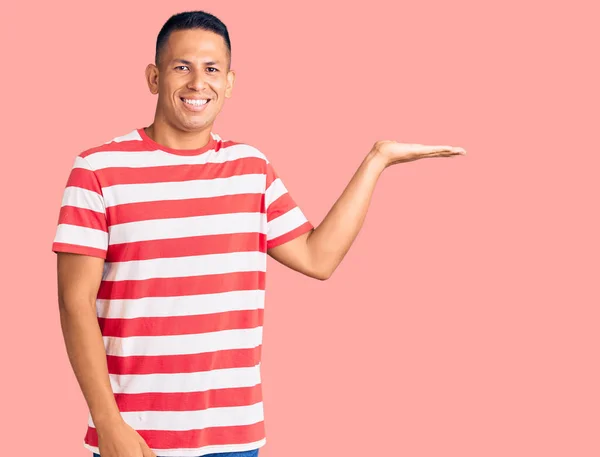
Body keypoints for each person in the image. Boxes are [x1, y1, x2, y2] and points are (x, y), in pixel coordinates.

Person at [52, 9, 466, 457]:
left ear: (229, 83)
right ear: (154, 77)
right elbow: (75, 303)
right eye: (181, 67)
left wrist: (376, 161)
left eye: (212, 69)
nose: (197, 83)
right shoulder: (98, 169)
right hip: (135, 438)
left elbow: (317, 258)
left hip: (234, 437)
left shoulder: (250, 168)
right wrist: (109, 424)